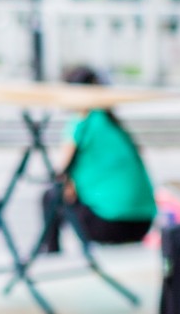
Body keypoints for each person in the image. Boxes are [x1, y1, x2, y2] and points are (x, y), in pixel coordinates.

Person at [40, 65, 157, 253]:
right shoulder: (113, 124)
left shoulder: (82, 124)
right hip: (143, 223)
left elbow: (60, 174)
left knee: (51, 196)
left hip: (109, 224)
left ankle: (51, 254)